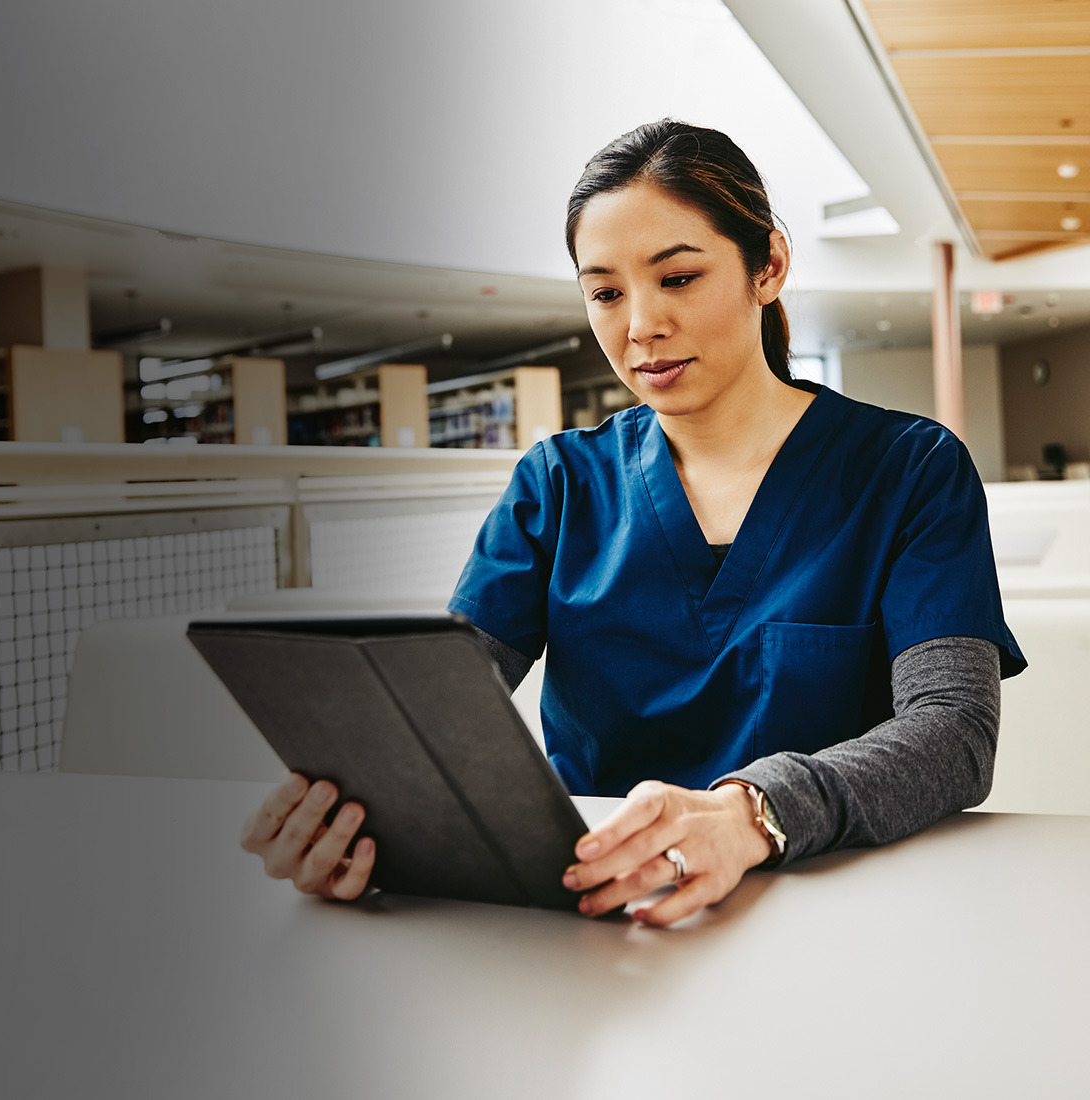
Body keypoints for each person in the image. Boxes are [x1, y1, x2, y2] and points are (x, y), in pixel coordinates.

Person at [240, 119, 1026, 925]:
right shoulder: (559, 484)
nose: (639, 325)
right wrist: (361, 819)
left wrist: (755, 812)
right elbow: (443, 713)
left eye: (678, 278)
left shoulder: (909, 469)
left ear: (769, 268)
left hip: (830, 908)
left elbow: (954, 733)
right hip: (598, 913)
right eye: (606, 292)